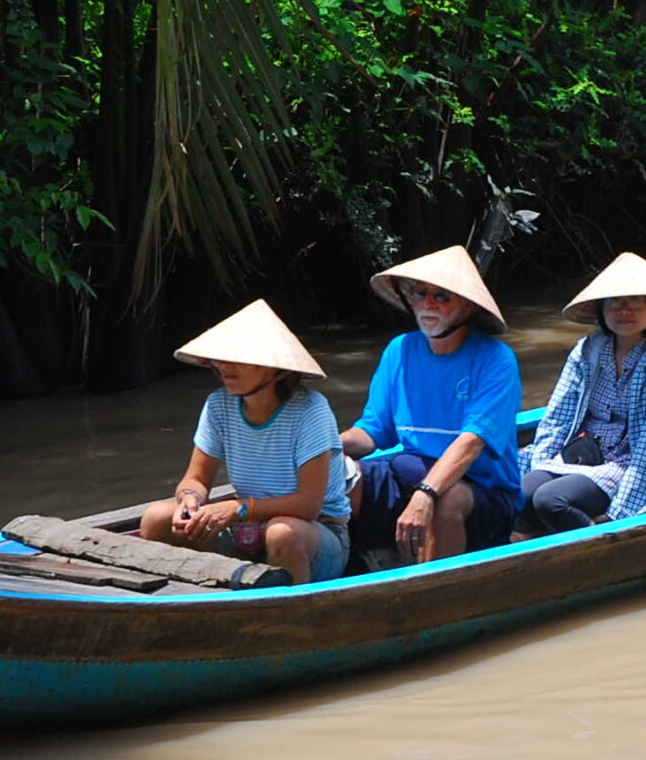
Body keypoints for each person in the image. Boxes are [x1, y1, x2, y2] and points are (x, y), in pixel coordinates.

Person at [143, 300, 352, 583]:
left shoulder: (310, 410)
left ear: (275, 368)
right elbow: (196, 478)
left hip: (313, 534)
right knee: (156, 518)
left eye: (239, 359)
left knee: (281, 532)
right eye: (221, 359)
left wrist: (239, 509)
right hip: (246, 529)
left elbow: (309, 505)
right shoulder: (219, 405)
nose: (225, 367)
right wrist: (189, 500)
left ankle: (290, 619)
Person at [341, 245, 523, 567]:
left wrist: (426, 493)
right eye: (420, 293)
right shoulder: (400, 350)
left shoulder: (495, 359)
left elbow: (471, 443)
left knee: (445, 499)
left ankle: (432, 591)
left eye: (442, 297)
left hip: (482, 490)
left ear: (467, 305)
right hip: (413, 471)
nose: (427, 304)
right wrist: (323, 449)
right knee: (340, 476)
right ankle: (353, 566)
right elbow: (372, 432)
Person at [522, 253, 646, 535]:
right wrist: (540, 463)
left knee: (550, 500)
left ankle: (597, 545)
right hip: (581, 452)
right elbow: (558, 418)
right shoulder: (586, 352)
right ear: (601, 309)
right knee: (525, 492)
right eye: (614, 301)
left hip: (625, 466)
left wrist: (620, 514)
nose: (623, 310)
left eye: (636, 300)